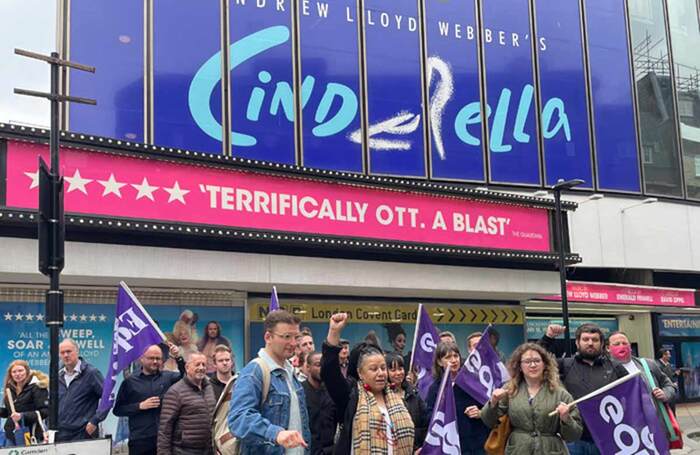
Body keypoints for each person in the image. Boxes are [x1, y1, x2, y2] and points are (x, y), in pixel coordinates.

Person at [322, 313, 414, 454]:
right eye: (373, 369)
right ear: (360, 373)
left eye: (383, 368)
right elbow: (330, 373)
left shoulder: (399, 398)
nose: (380, 373)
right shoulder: (352, 397)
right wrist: (334, 333)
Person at [228, 309, 310, 453]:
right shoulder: (254, 371)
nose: (293, 343)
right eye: (286, 336)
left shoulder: (290, 372)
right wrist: (276, 433)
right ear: (268, 337)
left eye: (296, 337)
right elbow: (238, 419)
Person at [540, 324, 627, 455]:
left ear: (602, 343)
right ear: (577, 342)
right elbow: (536, 361)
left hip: (609, 437)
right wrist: (548, 337)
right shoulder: (565, 365)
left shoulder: (616, 367)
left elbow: (632, 396)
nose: (590, 343)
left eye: (595, 340)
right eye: (586, 339)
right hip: (575, 439)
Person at [481, 343, 582, 454]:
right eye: (527, 361)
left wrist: (566, 418)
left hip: (551, 450)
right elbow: (488, 421)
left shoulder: (560, 394)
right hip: (518, 450)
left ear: (545, 364)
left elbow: (574, 435)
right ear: (519, 366)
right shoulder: (509, 390)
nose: (533, 365)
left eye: (537, 361)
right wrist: (493, 402)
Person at [113, 343, 185, 455]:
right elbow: (118, 410)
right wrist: (140, 406)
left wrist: (178, 357)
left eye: (158, 358)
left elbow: (185, 376)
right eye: (151, 358)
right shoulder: (130, 382)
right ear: (142, 359)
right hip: (140, 440)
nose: (155, 362)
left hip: (164, 439)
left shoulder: (168, 377)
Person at [426, 341, 490, 455]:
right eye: (448, 357)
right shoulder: (435, 388)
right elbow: (429, 416)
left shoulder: (473, 381)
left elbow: (489, 407)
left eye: (456, 356)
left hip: (476, 444)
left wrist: (480, 412)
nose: (454, 360)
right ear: (440, 362)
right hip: (450, 445)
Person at [607, 332, 677, 426]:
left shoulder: (648, 364)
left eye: (624, 343)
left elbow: (668, 384)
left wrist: (665, 394)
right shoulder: (604, 371)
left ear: (630, 347)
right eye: (616, 344)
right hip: (628, 429)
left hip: (657, 427)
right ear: (608, 348)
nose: (621, 346)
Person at [157, 353, 216, 455]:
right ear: (187, 367)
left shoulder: (209, 387)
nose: (201, 368)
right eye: (197, 364)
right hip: (184, 451)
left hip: (209, 450)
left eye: (204, 364)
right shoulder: (175, 392)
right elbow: (165, 428)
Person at [56, 338, 107, 442]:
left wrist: (95, 421)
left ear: (77, 351)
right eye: (62, 352)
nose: (66, 355)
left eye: (69, 351)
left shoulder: (91, 373)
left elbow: (108, 398)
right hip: (60, 434)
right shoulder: (57, 376)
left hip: (83, 433)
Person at [385, 351, 428, 450]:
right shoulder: (383, 396)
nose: (398, 373)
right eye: (393, 370)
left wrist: (419, 448)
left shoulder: (414, 394)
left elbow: (425, 424)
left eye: (400, 369)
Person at [0, 360, 48, 445]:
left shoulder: (37, 387)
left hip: (31, 434)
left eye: (20, 370)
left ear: (27, 371)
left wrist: (22, 416)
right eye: (14, 372)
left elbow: (45, 412)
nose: (17, 374)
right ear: (10, 374)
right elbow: (10, 412)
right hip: (11, 434)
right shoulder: (10, 389)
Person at [302, 352, 337, 455]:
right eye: (318, 365)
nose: (322, 368)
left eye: (324, 365)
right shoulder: (300, 391)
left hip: (330, 450)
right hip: (307, 449)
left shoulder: (332, 391)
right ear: (308, 367)